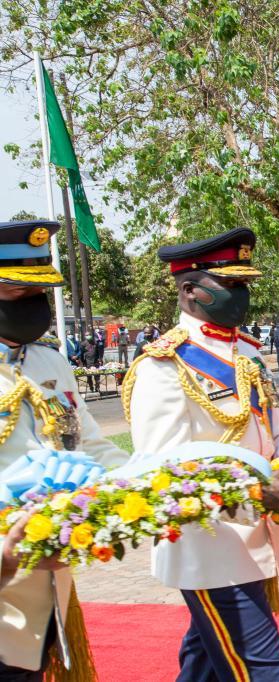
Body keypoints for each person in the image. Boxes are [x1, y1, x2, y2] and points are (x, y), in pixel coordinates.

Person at [122, 226, 279, 681]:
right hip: (208, 548)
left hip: (256, 538)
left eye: (244, 284)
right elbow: (164, 470)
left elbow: (274, 432)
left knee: (205, 663)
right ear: (191, 291)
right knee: (265, 672)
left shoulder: (245, 353)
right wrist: (253, 495)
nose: (242, 294)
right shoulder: (163, 366)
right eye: (231, 285)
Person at [0, 220, 129, 680]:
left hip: (46, 579)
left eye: (39, 291)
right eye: (18, 292)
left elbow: (89, 442)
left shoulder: (49, 361)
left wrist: (146, 486)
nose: (35, 305)